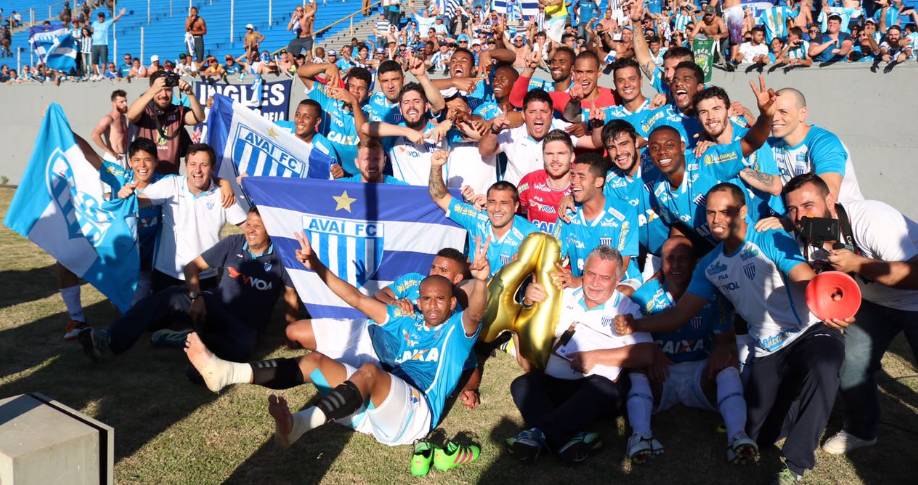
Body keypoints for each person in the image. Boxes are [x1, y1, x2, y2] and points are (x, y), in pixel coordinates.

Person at [181, 228, 488, 460]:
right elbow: (355, 298)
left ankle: (299, 424)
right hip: (374, 413)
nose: (433, 305)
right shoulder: (406, 316)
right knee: (316, 361)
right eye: (427, 298)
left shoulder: (457, 330)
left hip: (415, 416)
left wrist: (482, 281)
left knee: (369, 371)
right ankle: (227, 372)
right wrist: (316, 266)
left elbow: (475, 310)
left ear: (451, 305)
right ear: (419, 299)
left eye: (441, 299)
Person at [616, 183, 851, 484]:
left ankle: (797, 462)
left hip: (807, 332)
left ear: (742, 212)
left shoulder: (770, 239)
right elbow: (679, 314)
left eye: (725, 212)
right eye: (711, 213)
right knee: (757, 434)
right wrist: (636, 325)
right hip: (767, 349)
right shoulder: (709, 265)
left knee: (824, 366)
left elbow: (805, 278)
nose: (716, 220)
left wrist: (828, 301)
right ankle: (802, 401)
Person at [766, 174, 918, 456]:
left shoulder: (872, 219)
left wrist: (858, 263)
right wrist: (834, 312)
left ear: (830, 201)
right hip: (875, 303)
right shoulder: (807, 239)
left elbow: (914, 275)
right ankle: (861, 430)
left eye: (808, 205)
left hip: (914, 298)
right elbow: (828, 286)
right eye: (792, 209)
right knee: (851, 364)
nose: (800, 216)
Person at [79, 206, 299, 365]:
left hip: (245, 326)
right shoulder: (233, 243)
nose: (250, 230)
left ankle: (185, 339)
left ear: (270, 229)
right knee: (169, 295)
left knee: (243, 351)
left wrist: (290, 331)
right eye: (248, 224)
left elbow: (290, 297)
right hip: (214, 307)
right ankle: (107, 338)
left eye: (257, 226)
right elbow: (192, 267)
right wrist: (196, 297)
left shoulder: (282, 258)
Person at [506, 245, 655, 464]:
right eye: (591, 274)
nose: (595, 283)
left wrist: (595, 357)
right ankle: (574, 438)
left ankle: (541, 434)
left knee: (601, 388)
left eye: (604, 277)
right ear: (582, 272)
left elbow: (647, 353)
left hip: (596, 389)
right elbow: (527, 325)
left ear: (617, 279)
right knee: (521, 385)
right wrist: (529, 301)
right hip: (557, 381)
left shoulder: (627, 308)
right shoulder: (561, 296)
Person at [626, 236, 757, 464]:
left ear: (694, 263)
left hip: (700, 373)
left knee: (727, 362)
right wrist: (651, 352)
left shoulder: (712, 294)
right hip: (662, 374)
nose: (675, 265)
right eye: (670, 259)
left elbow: (726, 340)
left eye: (682, 259)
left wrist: (722, 347)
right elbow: (630, 341)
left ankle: (737, 436)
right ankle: (641, 436)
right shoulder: (643, 297)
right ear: (662, 263)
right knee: (637, 366)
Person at [643, 76, 777, 249]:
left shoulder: (709, 158)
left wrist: (766, 116)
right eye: (703, 112)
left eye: (716, 109)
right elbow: (680, 223)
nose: (662, 152)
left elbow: (754, 147)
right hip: (721, 252)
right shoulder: (660, 189)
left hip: (765, 233)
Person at [118, 144, 247, 292]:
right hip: (166, 274)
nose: (197, 170)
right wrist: (128, 196)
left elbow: (249, 226)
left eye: (204, 165)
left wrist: (252, 190)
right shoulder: (171, 184)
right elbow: (140, 201)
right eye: (192, 164)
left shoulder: (223, 195)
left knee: (201, 315)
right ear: (185, 166)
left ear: (213, 168)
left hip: (204, 275)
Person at [429, 150, 538, 277]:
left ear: (516, 206)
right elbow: (439, 196)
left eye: (504, 203)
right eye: (492, 201)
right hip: (475, 290)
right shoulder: (477, 217)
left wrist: (529, 267)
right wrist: (436, 167)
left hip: (508, 294)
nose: (497, 208)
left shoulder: (530, 234)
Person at [766, 88, 863, 202]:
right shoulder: (772, 144)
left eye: (783, 112)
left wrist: (785, 220)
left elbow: (828, 196)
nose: (774, 118)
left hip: (841, 217)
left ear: (802, 114)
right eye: (771, 111)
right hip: (800, 216)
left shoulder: (824, 143)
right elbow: (747, 141)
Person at [480, 89, 593, 186]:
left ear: (552, 113)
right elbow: (484, 151)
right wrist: (494, 130)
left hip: (551, 204)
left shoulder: (562, 129)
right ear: (523, 115)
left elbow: (594, 142)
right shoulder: (513, 132)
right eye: (532, 112)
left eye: (544, 111)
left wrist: (591, 124)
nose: (538, 117)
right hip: (514, 204)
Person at [361, 82, 453, 186]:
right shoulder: (395, 133)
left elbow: (473, 131)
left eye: (416, 101)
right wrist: (407, 132)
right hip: (407, 199)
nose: (411, 106)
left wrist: (450, 122)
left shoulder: (441, 129)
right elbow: (365, 128)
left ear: (426, 107)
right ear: (400, 110)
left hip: (438, 198)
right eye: (406, 102)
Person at [296, 62, 371, 176]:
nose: (355, 91)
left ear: (368, 93)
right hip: (325, 172)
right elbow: (301, 73)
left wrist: (354, 103)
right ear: (345, 86)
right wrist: (328, 66)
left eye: (361, 88)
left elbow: (365, 139)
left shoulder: (370, 112)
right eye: (351, 86)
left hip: (356, 178)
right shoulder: (329, 99)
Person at [127, 71, 205, 175]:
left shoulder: (178, 111)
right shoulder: (144, 111)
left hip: (171, 179)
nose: (163, 95)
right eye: (159, 90)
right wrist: (152, 91)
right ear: (150, 88)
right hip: (145, 178)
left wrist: (190, 93)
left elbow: (199, 117)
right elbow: (131, 115)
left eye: (168, 90)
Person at [517, 129, 574, 234]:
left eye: (561, 153)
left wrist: (572, 197)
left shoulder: (581, 183)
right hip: (536, 248)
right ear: (543, 156)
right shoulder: (530, 181)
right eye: (549, 154)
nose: (555, 159)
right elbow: (511, 209)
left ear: (572, 156)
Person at [290, 99, 342, 178]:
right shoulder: (279, 128)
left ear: (317, 122)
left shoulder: (325, 150)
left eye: (306, 117)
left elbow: (334, 177)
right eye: (297, 115)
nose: (300, 120)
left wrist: (337, 172)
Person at [335, 138, 407, 184]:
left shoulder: (399, 188)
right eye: (366, 159)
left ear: (384, 161)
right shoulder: (342, 187)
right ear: (357, 163)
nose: (372, 164)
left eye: (376, 159)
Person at [91, 90, 128, 168]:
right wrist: (110, 152)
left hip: (124, 158)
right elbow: (95, 135)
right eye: (122, 102)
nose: (125, 104)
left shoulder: (123, 118)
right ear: (114, 103)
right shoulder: (109, 118)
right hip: (114, 158)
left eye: (125, 101)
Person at [90, 9, 127, 80]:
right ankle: (95, 74)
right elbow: (91, 29)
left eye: (102, 17)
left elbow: (114, 19)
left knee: (104, 60)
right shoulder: (95, 23)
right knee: (94, 60)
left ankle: (102, 74)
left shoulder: (106, 23)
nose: (101, 18)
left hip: (103, 43)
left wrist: (120, 14)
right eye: (99, 16)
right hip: (95, 43)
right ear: (97, 17)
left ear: (104, 17)